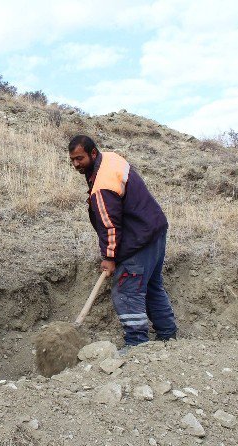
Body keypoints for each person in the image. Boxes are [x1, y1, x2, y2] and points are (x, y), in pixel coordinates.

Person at [68, 135, 177, 348]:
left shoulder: (103, 186)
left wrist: (109, 257)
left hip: (139, 240)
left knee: (127, 291)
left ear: (92, 153)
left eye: (79, 159)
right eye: (72, 159)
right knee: (153, 286)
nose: (75, 164)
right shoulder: (110, 159)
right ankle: (168, 336)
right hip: (154, 230)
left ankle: (137, 344)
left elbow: (109, 225)